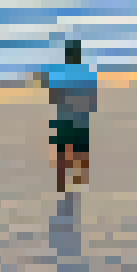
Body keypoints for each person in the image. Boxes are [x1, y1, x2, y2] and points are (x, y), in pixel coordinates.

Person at [34, 40, 98, 192]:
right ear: (78, 55)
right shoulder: (86, 72)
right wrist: (90, 108)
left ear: (67, 55)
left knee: (62, 149)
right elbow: (92, 96)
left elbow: (52, 91)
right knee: (81, 148)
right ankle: (80, 179)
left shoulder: (59, 72)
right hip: (81, 116)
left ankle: (61, 181)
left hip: (63, 115)